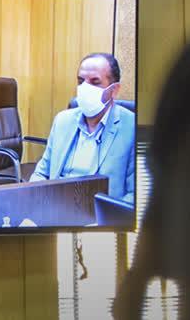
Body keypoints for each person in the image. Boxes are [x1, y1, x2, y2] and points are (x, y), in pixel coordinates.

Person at [31, 52, 135, 205]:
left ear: (114, 90)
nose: (85, 88)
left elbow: (134, 195)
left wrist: (108, 215)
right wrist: (37, 203)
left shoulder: (132, 128)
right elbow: (41, 174)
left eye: (95, 82)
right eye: (81, 81)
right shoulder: (62, 121)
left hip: (100, 214)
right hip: (55, 206)